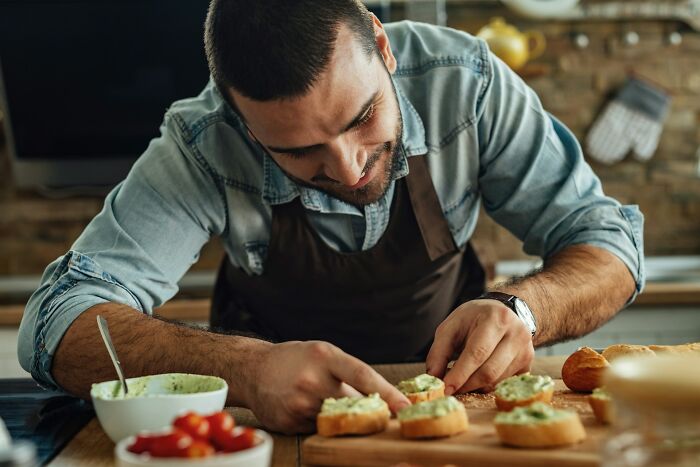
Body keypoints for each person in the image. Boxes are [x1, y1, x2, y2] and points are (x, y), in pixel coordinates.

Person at [18, 0, 643, 434]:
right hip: (270, 420)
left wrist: (524, 310)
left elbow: (608, 242)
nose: (347, 170)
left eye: (362, 118)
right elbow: (54, 321)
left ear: (380, 45)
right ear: (239, 118)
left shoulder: (469, 87)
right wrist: (243, 369)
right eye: (297, 150)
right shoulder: (202, 140)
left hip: (458, 402)